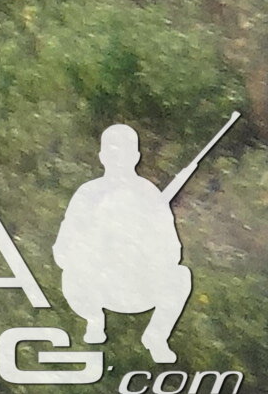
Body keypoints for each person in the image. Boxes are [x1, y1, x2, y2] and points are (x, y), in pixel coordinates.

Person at [56, 124, 194, 364]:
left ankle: (156, 336)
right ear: (101, 156)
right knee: (71, 275)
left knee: (180, 277)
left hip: (138, 285)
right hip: (96, 286)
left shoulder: (150, 195)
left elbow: (173, 251)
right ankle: (94, 320)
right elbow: (63, 249)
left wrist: (143, 245)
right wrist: (94, 248)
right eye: (112, 151)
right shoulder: (87, 194)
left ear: (136, 156)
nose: (118, 157)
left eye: (125, 151)